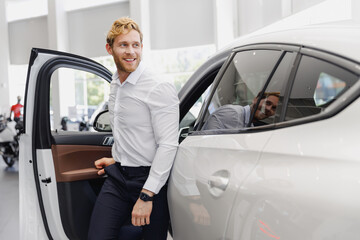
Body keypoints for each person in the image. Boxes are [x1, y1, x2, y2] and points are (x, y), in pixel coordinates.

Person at [88, 17, 179, 240]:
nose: (131, 52)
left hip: (150, 180)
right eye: (123, 45)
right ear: (109, 49)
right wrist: (118, 159)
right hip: (118, 177)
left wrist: (147, 196)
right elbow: (127, 132)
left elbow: (168, 144)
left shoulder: (158, 87)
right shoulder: (115, 82)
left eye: (136, 45)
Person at [202, 92, 279, 130]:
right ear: (256, 99)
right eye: (267, 103)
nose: (269, 109)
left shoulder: (249, 125)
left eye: (274, 108)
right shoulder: (233, 113)